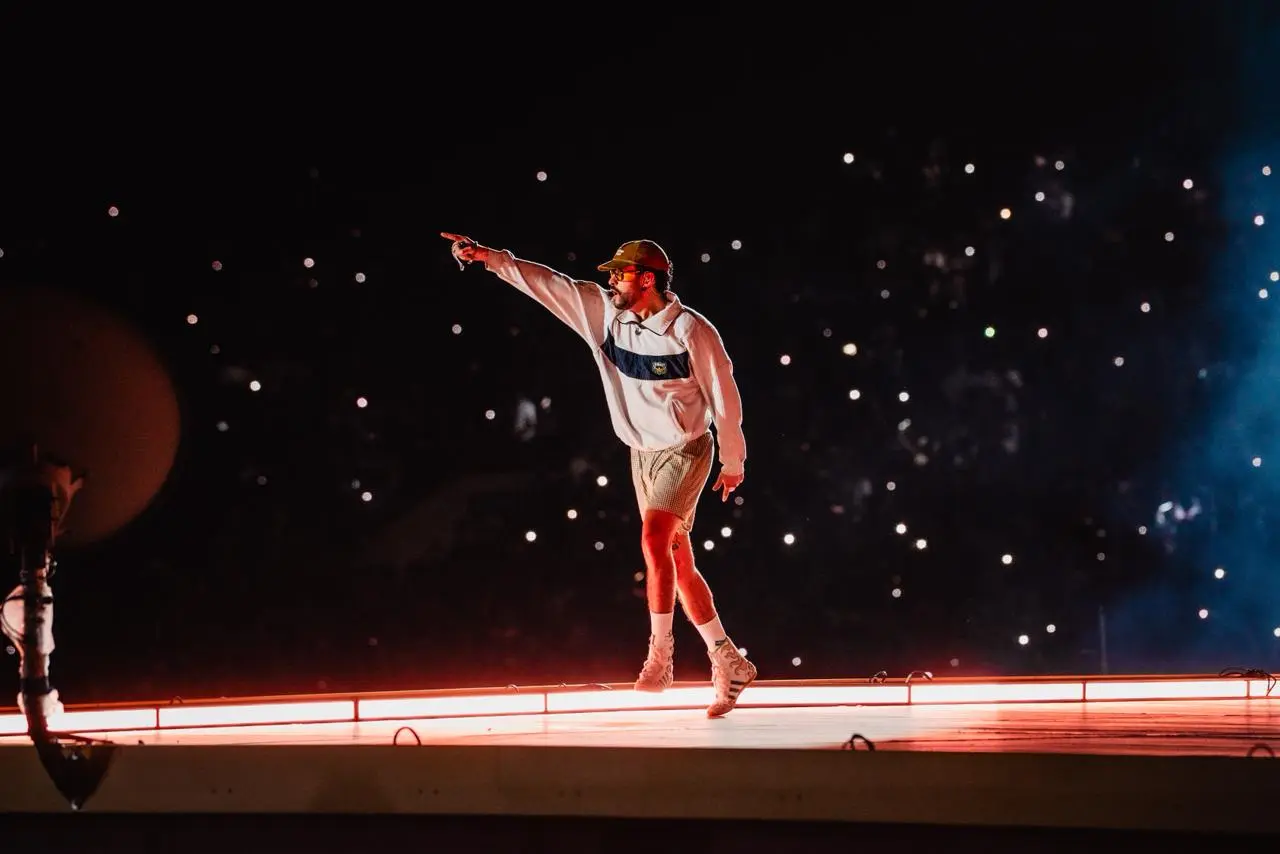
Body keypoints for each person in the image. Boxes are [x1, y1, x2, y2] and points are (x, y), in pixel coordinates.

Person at [441, 232, 757, 717]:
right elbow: (549, 284)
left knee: (653, 542)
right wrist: (492, 259)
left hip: (686, 450)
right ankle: (727, 657)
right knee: (677, 562)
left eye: (620, 273)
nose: (610, 279)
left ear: (647, 279)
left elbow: (724, 394)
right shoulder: (605, 314)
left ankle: (660, 656)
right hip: (641, 454)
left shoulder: (691, 331)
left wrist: (732, 461)